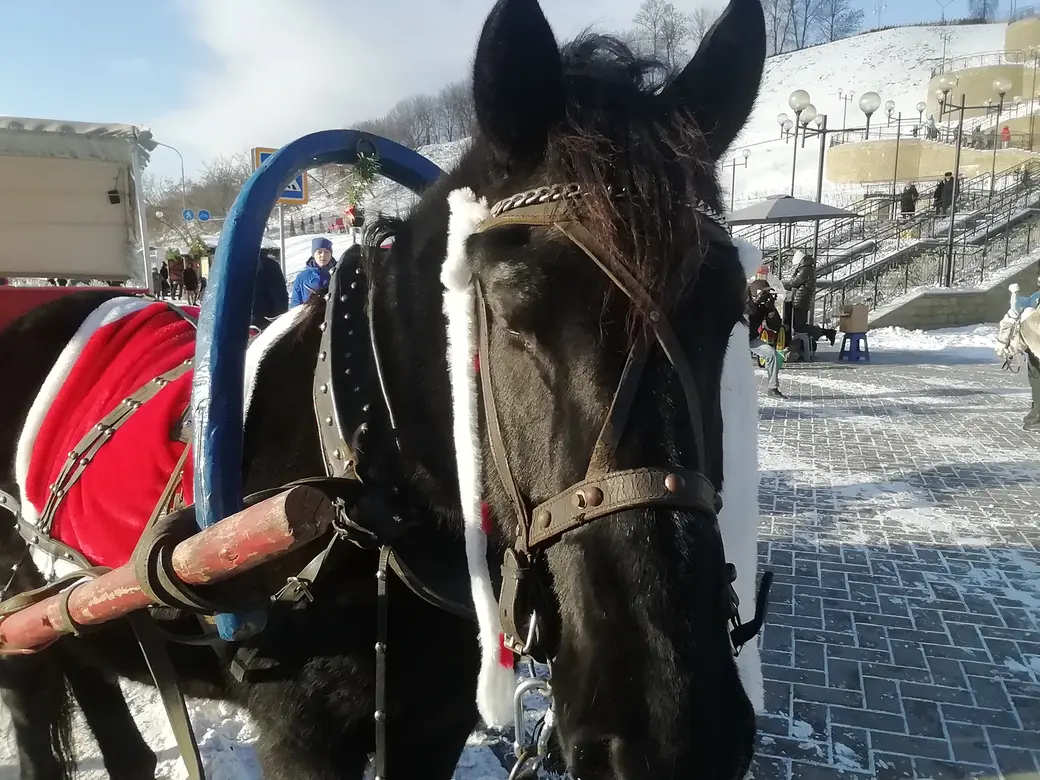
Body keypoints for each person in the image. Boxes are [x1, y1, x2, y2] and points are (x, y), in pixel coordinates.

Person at [747, 283, 785, 398]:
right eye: (764, 293)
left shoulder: (764, 305)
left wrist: (771, 311)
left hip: (751, 338)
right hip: (735, 340)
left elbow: (776, 326)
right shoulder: (742, 299)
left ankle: (772, 388)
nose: (766, 296)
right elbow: (744, 317)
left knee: (770, 353)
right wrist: (755, 303)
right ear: (756, 292)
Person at [290, 237, 337, 308]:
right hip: (309, 317)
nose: (323, 255)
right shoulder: (302, 278)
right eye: (319, 252)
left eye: (327, 252)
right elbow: (295, 305)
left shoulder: (338, 274)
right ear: (313, 254)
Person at [253, 249, 289, 329]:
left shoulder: (269, 266)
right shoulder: (230, 265)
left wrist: (279, 321)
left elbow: (280, 297)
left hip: (264, 324)